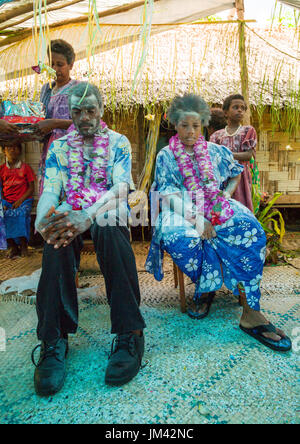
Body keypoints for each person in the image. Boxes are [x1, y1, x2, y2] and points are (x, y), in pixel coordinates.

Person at [145, 93, 291, 353]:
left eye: (196, 126)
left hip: (213, 201)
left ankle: (250, 311)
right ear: (174, 125)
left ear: (202, 124)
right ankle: (205, 289)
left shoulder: (215, 150)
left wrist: (225, 193)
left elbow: (237, 171)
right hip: (179, 208)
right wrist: (197, 220)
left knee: (251, 229)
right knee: (183, 238)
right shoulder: (166, 156)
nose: (190, 132)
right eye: (184, 126)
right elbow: (167, 195)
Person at [32, 82, 146, 397]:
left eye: (91, 110)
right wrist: (44, 219)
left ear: (101, 110)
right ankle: (54, 339)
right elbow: (52, 188)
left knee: (109, 227)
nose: (84, 117)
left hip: (106, 206)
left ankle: (130, 332)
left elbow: (122, 187)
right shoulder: (59, 147)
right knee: (56, 235)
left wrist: (89, 214)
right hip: (72, 207)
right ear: (70, 113)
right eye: (78, 111)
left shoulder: (118, 142)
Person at [34, 39, 79, 195]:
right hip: (49, 154)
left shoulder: (78, 89)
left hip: (71, 156)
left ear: (71, 65)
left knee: (68, 202)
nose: (55, 69)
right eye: (52, 64)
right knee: (49, 200)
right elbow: (40, 117)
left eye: (60, 65)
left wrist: (54, 124)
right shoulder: (46, 90)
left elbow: (87, 123)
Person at [210, 94, 257, 212]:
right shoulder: (216, 135)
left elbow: (247, 155)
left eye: (243, 108)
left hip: (242, 177)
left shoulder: (248, 131)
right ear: (225, 112)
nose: (240, 110)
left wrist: (225, 154)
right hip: (222, 177)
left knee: (241, 208)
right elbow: (211, 157)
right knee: (222, 209)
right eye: (235, 107)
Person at [0, 144, 35, 258]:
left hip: (24, 201)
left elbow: (31, 188)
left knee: (20, 214)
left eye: (15, 147)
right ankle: (12, 246)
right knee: (3, 215)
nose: (12, 149)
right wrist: (4, 203)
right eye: (8, 147)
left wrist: (20, 200)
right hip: (7, 201)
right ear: (4, 151)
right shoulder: (1, 169)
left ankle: (24, 245)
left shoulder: (25, 168)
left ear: (19, 151)